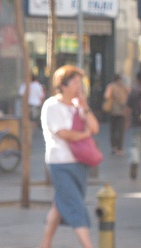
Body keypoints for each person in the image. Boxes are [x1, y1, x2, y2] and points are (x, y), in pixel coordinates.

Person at [39, 65, 99, 248]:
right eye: (74, 82)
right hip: (60, 163)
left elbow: (95, 127)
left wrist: (85, 107)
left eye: (80, 82)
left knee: (60, 204)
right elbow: (64, 134)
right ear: (62, 85)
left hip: (79, 163)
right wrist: (84, 135)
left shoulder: (78, 106)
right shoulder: (51, 106)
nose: (79, 86)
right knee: (75, 205)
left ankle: (45, 244)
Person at [103, 74, 129, 155]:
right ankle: (120, 148)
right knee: (121, 130)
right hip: (122, 110)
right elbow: (129, 94)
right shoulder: (124, 86)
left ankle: (114, 147)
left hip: (113, 110)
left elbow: (106, 96)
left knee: (113, 130)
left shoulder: (111, 86)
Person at [126, 71, 141, 179]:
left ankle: (135, 160)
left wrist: (127, 121)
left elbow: (128, 108)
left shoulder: (134, 91)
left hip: (136, 122)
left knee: (134, 144)